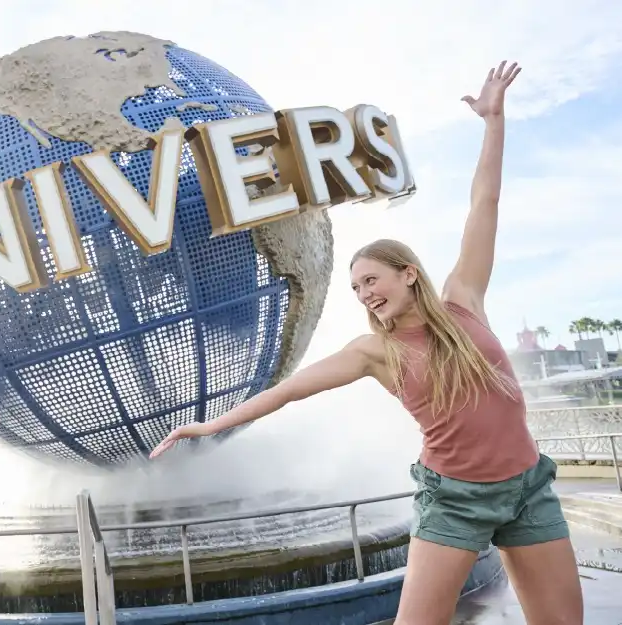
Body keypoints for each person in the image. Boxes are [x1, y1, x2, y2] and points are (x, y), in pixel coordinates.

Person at [150, 62, 582, 625]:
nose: (364, 294)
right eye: (356, 288)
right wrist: (207, 426)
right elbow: (286, 393)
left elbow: (485, 205)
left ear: (408, 273)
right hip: (454, 502)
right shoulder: (371, 352)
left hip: (528, 489)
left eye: (371, 281)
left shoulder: (464, 300)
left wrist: (493, 121)